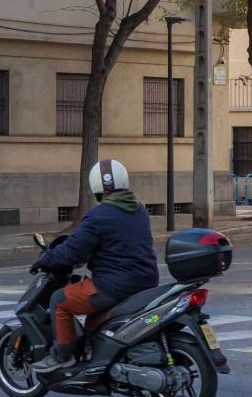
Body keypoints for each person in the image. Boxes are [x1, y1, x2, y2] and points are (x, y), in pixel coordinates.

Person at [30, 159, 159, 374]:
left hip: (113, 285)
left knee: (59, 300)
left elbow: (73, 250)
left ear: (96, 187)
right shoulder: (139, 210)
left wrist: (46, 260)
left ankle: (61, 356)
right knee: (94, 322)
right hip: (146, 282)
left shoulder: (99, 215)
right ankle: (98, 359)